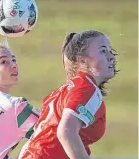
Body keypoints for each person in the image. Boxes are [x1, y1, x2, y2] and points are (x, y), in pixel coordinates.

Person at [18, 30, 118, 159]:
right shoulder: (86, 88)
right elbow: (66, 132)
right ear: (82, 60)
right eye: (103, 51)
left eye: (110, 50)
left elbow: (35, 140)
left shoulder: (64, 91)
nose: (111, 56)